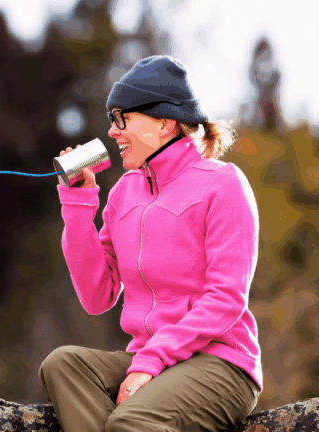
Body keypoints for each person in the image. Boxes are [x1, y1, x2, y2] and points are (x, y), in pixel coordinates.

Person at [38, 55, 262, 432]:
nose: (112, 132)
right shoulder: (124, 194)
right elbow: (97, 296)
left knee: (131, 422)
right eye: (112, 119)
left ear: (164, 122)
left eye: (122, 118)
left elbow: (226, 298)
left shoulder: (223, 184)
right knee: (63, 365)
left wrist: (151, 361)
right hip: (150, 359)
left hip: (221, 364)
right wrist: (77, 207)